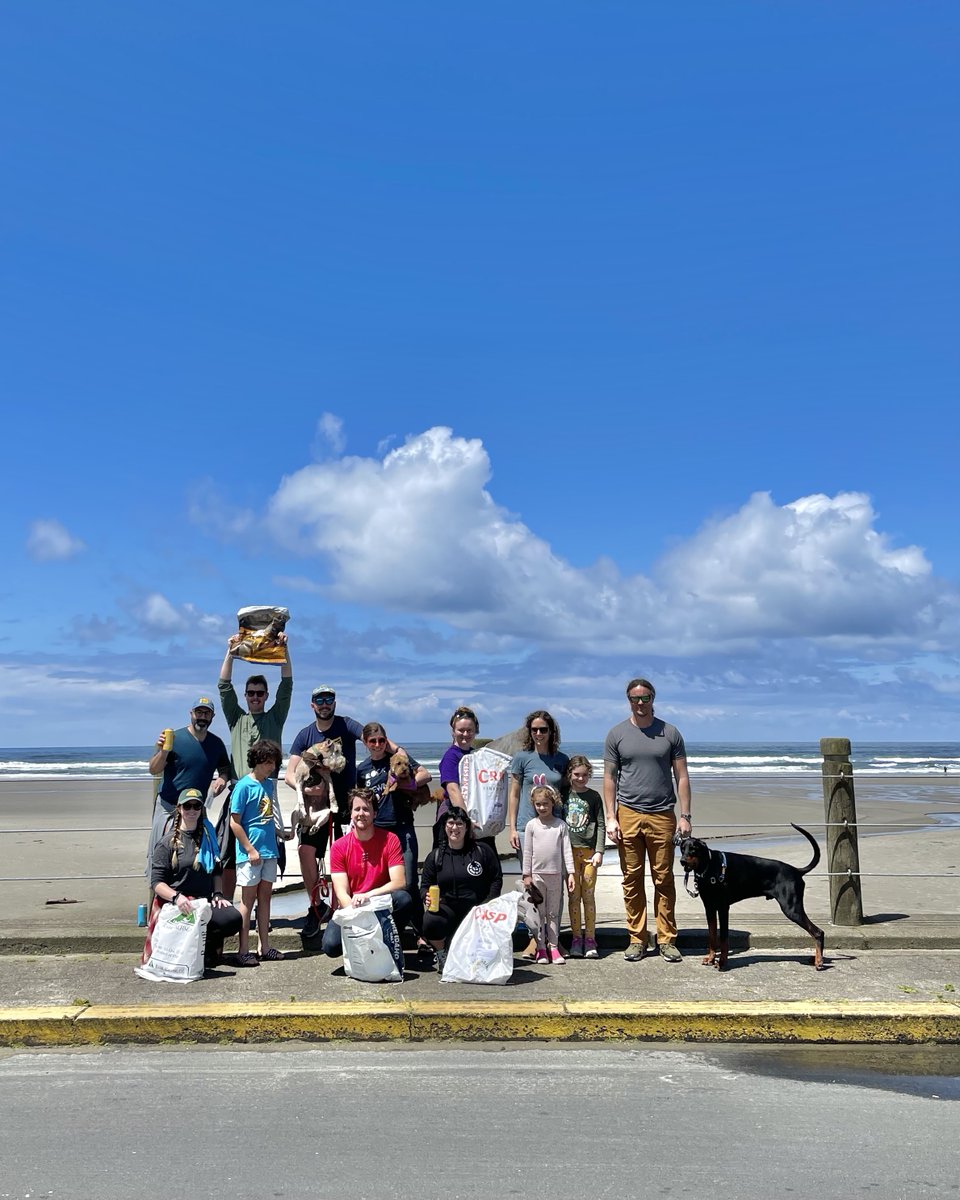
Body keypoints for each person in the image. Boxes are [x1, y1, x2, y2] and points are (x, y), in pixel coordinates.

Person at [603, 677, 692, 964]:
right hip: (627, 813)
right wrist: (610, 817)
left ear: (653, 698)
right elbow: (608, 779)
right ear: (628, 700)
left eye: (645, 698)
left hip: (662, 813)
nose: (640, 703)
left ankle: (666, 939)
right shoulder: (616, 734)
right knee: (631, 879)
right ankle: (637, 939)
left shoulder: (670, 732)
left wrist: (685, 816)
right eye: (634, 698)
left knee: (663, 878)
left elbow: (682, 777)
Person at [285, 686, 372, 920]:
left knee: (350, 855)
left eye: (329, 699)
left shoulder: (347, 725)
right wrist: (306, 789)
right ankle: (316, 905)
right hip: (316, 806)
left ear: (334, 702)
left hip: (347, 806)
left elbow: (372, 737)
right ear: (312, 705)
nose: (325, 704)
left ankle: (348, 903)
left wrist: (397, 752)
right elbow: (289, 775)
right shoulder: (305, 735)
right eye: (320, 700)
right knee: (306, 851)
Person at [218, 633, 293, 899]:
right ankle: (227, 903)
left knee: (271, 848)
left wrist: (284, 648)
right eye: (250, 693)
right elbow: (223, 686)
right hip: (240, 790)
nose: (255, 697)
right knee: (228, 849)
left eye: (260, 693)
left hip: (267, 792)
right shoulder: (236, 719)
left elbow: (287, 684)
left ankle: (265, 909)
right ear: (246, 695)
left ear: (265, 695)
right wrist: (230, 651)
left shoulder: (275, 718)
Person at [143, 787, 242, 971]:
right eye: (187, 806)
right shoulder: (166, 843)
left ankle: (207, 947)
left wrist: (218, 894)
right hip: (175, 903)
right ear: (179, 808)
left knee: (233, 918)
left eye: (196, 806)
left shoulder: (208, 837)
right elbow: (156, 882)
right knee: (190, 918)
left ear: (201, 809)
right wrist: (176, 897)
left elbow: (216, 871)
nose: (192, 811)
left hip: (202, 902)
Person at [356, 722, 432, 949]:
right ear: (366, 743)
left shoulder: (399, 758)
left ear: (386, 741)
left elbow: (425, 775)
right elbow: (360, 801)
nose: (377, 745)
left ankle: (422, 935)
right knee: (383, 883)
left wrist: (404, 783)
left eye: (381, 740)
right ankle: (390, 933)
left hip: (402, 827)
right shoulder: (362, 769)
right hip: (377, 831)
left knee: (408, 883)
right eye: (372, 741)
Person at [321, 788, 413, 958]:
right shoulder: (339, 846)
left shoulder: (390, 839)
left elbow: (399, 882)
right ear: (350, 814)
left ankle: (388, 940)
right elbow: (341, 891)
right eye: (357, 809)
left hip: (379, 902)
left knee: (404, 899)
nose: (361, 814)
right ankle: (362, 944)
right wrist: (355, 915)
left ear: (375, 813)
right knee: (330, 946)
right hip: (353, 906)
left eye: (366, 809)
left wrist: (368, 895)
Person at [146, 697, 230, 877]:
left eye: (206, 713)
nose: (202, 716)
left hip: (196, 809)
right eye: (198, 712)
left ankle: (192, 894)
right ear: (191, 714)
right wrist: (163, 751)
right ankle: (159, 899)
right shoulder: (174, 738)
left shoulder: (216, 743)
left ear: (212, 716)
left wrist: (221, 779)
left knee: (196, 856)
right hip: (169, 807)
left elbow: (225, 769)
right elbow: (154, 769)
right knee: (161, 854)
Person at [419, 806, 502, 971]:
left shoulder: (482, 851)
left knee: (474, 965)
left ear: (467, 827)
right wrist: (425, 896)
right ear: (445, 826)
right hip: (448, 909)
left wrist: (487, 904)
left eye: (459, 824)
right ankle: (442, 954)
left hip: (476, 910)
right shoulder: (435, 856)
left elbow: (496, 879)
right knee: (430, 922)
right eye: (450, 823)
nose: (454, 828)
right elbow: (424, 886)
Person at [230, 738, 285, 966]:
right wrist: (250, 849)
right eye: (267, 762)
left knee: (265, 899)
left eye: (273, 763)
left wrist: (281, 835)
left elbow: (267, 817)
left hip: (269, 851)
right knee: (247, 901)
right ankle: (243, 950)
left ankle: (265, 946)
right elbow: (235, 822)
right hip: (249, 854)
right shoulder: (243, 786)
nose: (271, 767)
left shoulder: (269, 785)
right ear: (257, 761)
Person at [522, 785, 575, 965]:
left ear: (553, 803)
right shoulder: (531, 826)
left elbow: (567, 851)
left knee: (553, 913)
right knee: (540, 913)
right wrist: (526, 874)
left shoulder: (561, 826)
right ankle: (541, 948)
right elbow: (527, 851)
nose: (542, 807)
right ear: (534, 805)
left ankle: (553, 947)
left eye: (545, 803)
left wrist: (571, 874)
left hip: (556, 875)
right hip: (537, 876)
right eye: (538, 804)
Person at [507, 710, 569, 858]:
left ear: (551, 731)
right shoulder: (521, 758)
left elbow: (566, 793)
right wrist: (512, 829)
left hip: (555, 826)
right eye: (534, 729)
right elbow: (514, 794)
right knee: (529, 877)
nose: (538, 733)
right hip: (526, 826)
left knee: (554, 874)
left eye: (543, 729)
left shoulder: (562, 759)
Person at [563, 755, 606, 959]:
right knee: (573, 896)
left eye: (585, 775)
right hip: (568, 854)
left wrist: (599, 851)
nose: (581, 779)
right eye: (577, 775)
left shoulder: (594, 797)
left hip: (589, 854)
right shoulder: (564, 795)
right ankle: (576, 938)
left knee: (588, 896)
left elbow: (601, 824)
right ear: (570, 774)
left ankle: (590, 938)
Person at [436, 706, 480, 826]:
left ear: (475, 730)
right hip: (454, 814)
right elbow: (453, 790)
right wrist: (466, 820)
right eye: (461, 730)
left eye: (469, 730)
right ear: (453, 731)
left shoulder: (475, 755)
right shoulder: (451, 757)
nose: (465, 734)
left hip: (472, 810)